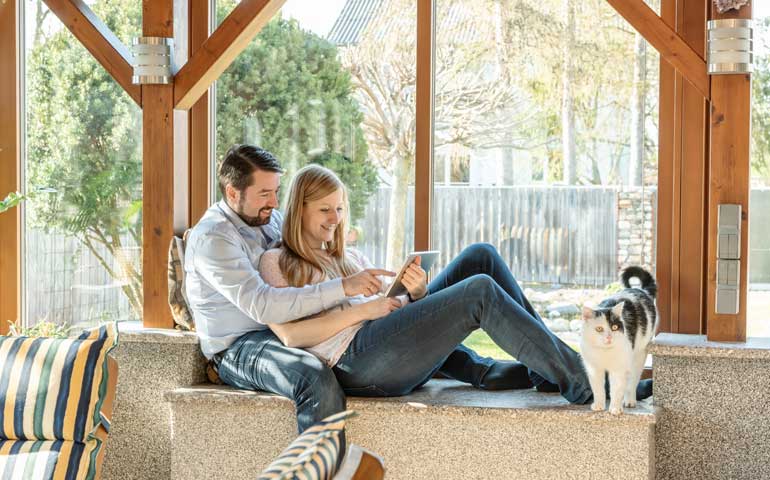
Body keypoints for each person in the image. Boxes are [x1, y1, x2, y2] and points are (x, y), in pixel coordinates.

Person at [184, 145, 532, 442]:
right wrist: (344, 289)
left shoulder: (267, 217)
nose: (275, 203)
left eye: (277, 192)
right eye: (265, 194)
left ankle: (494, 370)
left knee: (448, 297)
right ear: (232, 193)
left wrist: (387, 289)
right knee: (312, 376)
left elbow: (298, 261)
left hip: (284, 325)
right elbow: (264, 306)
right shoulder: (215, 237)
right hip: (241, 343)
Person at [258, 164, 653, 406]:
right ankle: (584, 382)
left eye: (340, 209)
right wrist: (366, 309)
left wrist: (415, 294)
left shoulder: (347, 257)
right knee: (478, 290)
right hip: (354, 363)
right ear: (299, 209)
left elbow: (388, 310)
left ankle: (548, 372)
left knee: (480, 256)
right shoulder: (276, 262)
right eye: (325, 209)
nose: (335, 218)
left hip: (381, 338)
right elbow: (291, 335)